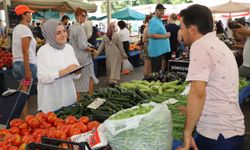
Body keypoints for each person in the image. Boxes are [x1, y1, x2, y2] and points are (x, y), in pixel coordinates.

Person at [177, 4, 245, 150]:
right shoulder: (217, 44)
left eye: (181, 27)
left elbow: (198, 92)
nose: (180, 32)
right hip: (230, 129)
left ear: (192, 29)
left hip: (217, 133)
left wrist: (187, 134)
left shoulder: (200, 46)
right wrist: (191, 110)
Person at [37, 19, 80, 112]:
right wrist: (63, 72)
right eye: (58, 33)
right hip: (52, 102)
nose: (64, 35)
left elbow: (75, 69)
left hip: (69, 98)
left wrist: (77, 71)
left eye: (64, 31)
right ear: (50, 35)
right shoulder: (43, 51)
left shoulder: (69, 48)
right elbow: (42, 77)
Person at [12, 5, 37, 117]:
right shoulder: (24, 29)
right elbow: (25, 51)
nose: (31, 15)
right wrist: (27, 70)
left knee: (22, 92)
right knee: (24, 93)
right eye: (29, 13)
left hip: (17, 64)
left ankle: (23, 118)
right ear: (23, 15)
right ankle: (25, 118)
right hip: (25, 65)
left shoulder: (17, 29)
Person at [69, 8, 98, 101]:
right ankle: (90, 100)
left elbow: (75, 43)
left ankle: (78, 103)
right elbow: (82, 45)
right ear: (77, 16)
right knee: (91, 77)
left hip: (75, 56)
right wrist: (93, 51)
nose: (85, 18)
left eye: (85, 16)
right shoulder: (80, 28)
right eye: (83, 15)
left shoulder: (72, 27)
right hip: (84, 57)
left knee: (77, 80)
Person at [96, 22, 128, 86]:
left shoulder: (105, 36)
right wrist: (124, 53)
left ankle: (110, 80)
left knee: (110, 67)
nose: (115, 28)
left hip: (108, 54)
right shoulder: (116, 35)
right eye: (114, 26)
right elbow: (120, 45)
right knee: (116, 66)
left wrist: (97, 53)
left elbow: (101, 47)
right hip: (116, 53)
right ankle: (114, 81)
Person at [148, 4, 171, 73]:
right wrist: (165, 36)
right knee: (155, 72)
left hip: (159, 51)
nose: (162, 13)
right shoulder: (153, 21)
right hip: (156, 52)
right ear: (156, 10)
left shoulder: (158, 20)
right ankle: (154, 83)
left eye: (163, 11)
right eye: (161, 11)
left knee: (157, 71)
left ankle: (155, 83)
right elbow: (151, 35)